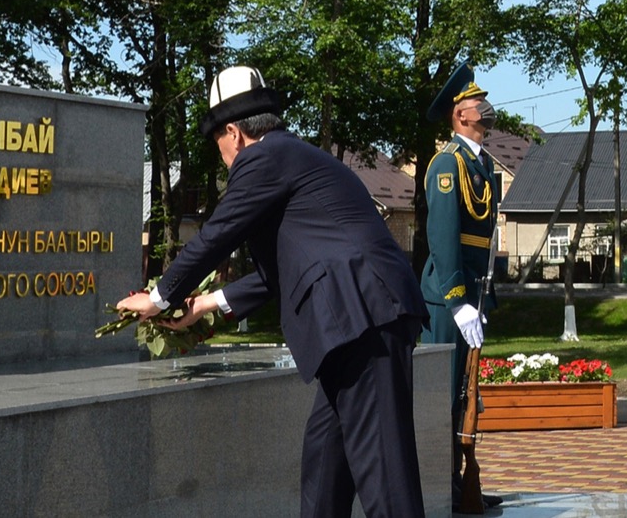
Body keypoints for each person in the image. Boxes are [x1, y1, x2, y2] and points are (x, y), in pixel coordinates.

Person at [117, 67, 427, 518]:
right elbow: (275, 273)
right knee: (324, 463)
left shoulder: (264, 159)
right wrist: (207, 303)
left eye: (218, 142)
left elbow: (217, 234)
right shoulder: (291, 158)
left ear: (234, 133)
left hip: (363, 319)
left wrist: (159, 296)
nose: (221, 154)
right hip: (357, 321)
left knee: (386, 481)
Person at [420, 63, 503, 506]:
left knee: (465, 393)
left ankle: (461, 484)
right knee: (442, 396)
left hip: (472, 291)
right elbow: (444, 236)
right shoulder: (446, 165)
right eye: (478, 106)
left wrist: (481, 297)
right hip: (446, 298)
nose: (486, 111)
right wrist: (457, 301)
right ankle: (440, 487)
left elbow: (484, 238)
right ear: (459, 116)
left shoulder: (483, 164)